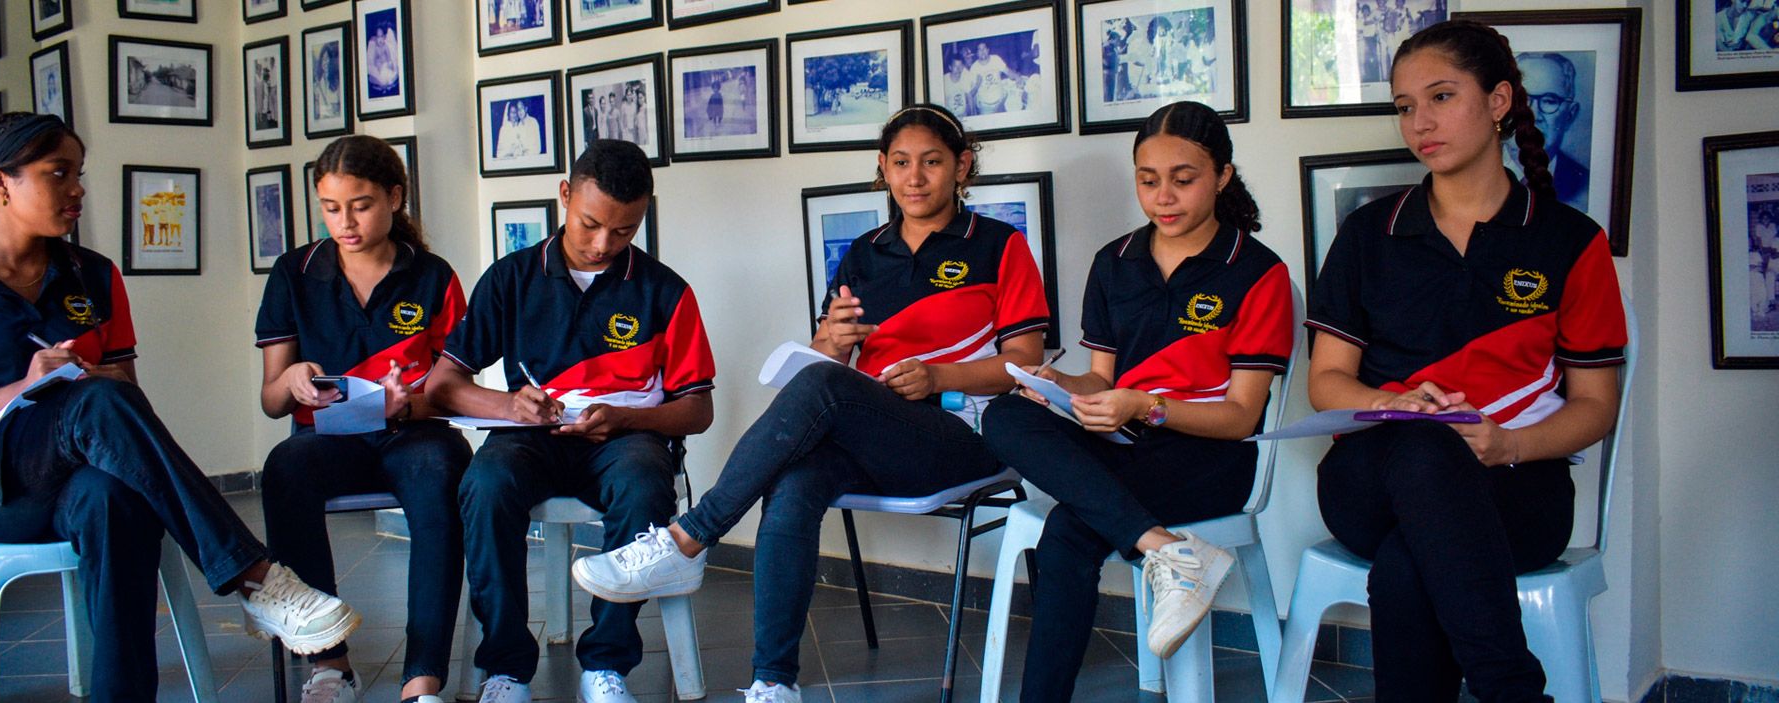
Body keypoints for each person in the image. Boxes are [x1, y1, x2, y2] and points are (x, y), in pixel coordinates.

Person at [570, 104, 1051, 703]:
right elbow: (831, 361)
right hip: (878, 433)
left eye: (932, 162)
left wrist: (936, 375)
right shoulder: (863, 253)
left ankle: (689, 538)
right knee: (793, 481)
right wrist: (833, 341)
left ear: (963, 166)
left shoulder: (1000, 245)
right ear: (882, 168)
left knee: (822, 390)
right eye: (901, 163)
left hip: (963, 435)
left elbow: (1023, 365)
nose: (915, 177)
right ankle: (773, 683)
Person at [0, 113, 358, 701]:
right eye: (58, 174)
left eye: (79, 174)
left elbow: (124, 394)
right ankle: (254, 577)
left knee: (114, 500)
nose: (77, 188)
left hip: (75, 478)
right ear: (1, 184)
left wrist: (91, 378)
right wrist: (21, 388)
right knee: (97, 406)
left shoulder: (94, 275)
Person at [1307, 21, 1627, 701]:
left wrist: (1506, 443)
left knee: (1405, 565)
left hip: (1519, 484)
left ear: (1500, 100)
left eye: (1442, 96)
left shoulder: (1569, 241)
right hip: (1371, 475)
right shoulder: (1369, 234)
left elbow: (1597, 406)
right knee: (1424, 448)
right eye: (1403, 106)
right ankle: (1512, 689)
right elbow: (1325, 383)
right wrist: (1397, 404)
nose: (1419, 122)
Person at [980, 101, 1293, 702]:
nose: (1163, 197)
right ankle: (1167, 550)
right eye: (1148, 181)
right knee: (1005, 412)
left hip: (1210, 455)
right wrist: (1062, 388)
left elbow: (1241, 417)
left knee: (1072, 528)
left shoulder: (1256, 272)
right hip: (1125, 442)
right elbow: (1102, 379)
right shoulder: (1115, 261)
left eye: (1184, 179)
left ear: (1222, 176)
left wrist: (1146, 407)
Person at [430, 139, 718, 703]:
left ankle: (604, 667)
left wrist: (630, 418)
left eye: (625, 231)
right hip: (528, 440)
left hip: (625, 442)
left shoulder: (666, 291)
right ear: (565, 196)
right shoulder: (511, 279)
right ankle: (506, 670)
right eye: (589, 224)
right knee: (484, 485)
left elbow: (698, 410)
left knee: (641, 483)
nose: (603, 244)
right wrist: (509, 406)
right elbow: (442, 386)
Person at [254, 135, 472, 703]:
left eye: (361, 205)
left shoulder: (432, 275)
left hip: (416, 433)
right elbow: (273, 399)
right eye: (331, 208)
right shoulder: (293, 272)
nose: (345, 222)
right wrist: (295, 377)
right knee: (284, 468)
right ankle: (329, 666)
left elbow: (457, 389)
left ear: (394, 197)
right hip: (327, 437)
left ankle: (422, 678)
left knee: (441, 472)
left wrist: (410, 403)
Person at [1514, 52, 1590, 212]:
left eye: (1549, 101)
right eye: (1522, 100)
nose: (1533, 114)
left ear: (1570, 115)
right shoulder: (1471, 173)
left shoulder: (1585, 184)